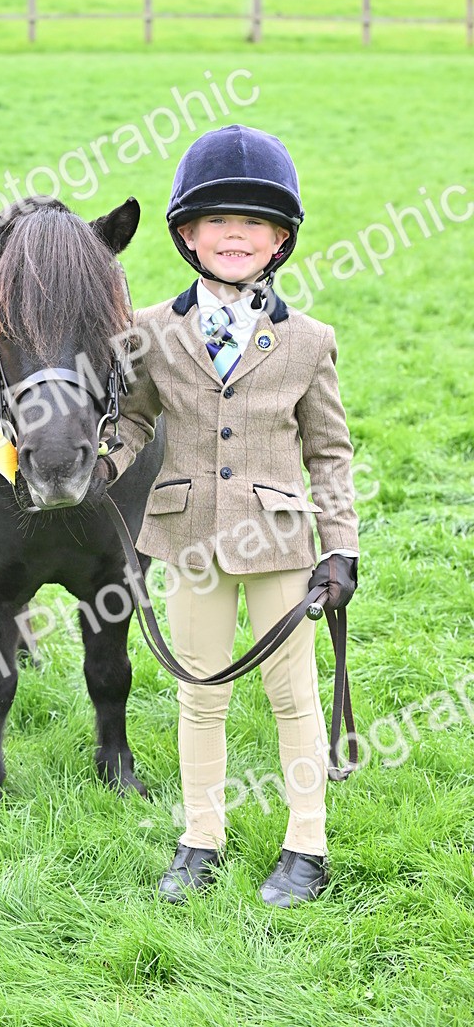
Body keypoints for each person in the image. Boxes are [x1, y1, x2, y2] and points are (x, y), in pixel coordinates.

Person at [92, 123, 359, 908]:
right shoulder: (147, 330)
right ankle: (199, 837)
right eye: (217, 222)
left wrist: (339, 548)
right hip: (189, 540)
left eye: (254, 224)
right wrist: (100, 465)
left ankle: (306, 845)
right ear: (186, 235)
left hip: (278, 542)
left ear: (280, 240)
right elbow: (135, 422)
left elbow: (330, 452)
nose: (234, 235)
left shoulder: (309, 341)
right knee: (199, 693)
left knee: (293, 695)